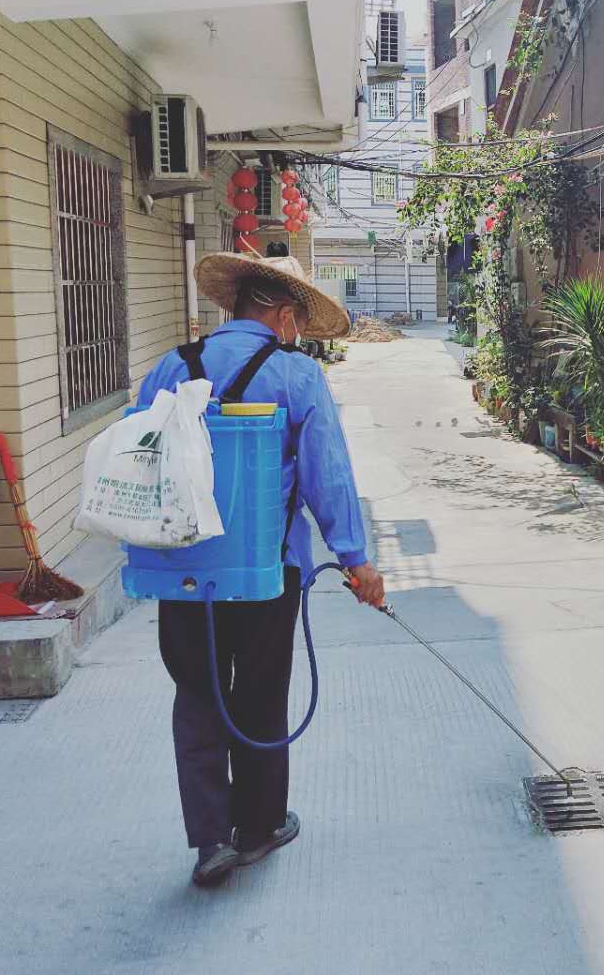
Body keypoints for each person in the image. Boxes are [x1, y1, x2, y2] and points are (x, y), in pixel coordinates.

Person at [137, 249, 386, 885]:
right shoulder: (296, 375)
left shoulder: (171, 366)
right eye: (297, 322)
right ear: (282, 316)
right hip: (266, 573)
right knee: (260, 694)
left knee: (197, 696)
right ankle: (258, 827)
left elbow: (141, 458)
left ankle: (209, 840)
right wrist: (355, 561)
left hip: (183, 571)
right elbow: (327, 473)